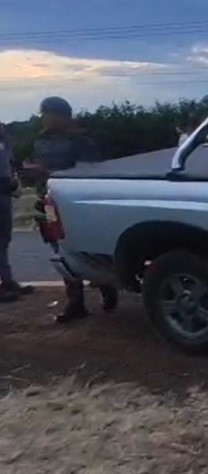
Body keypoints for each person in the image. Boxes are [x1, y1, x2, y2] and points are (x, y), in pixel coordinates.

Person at [28, 96, 118, 322]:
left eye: (47, 113)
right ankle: (75, 303)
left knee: (89, 247)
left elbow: (89, 174)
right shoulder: (41, 141)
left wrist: (49, 173)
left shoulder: (82, 141)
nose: (43, 119)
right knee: (59, 249)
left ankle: (107, 287)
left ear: (61, 116)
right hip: (48, 203)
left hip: (74, 204)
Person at [0, 122, 34, 303]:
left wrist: (14, 180)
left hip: (4, 194)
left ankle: (7, 280)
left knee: (3, 239)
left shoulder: (4, 140)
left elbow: (10, 164)